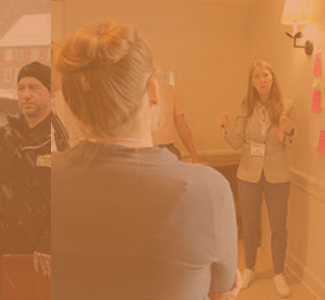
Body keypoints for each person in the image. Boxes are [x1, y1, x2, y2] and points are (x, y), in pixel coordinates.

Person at [51, 20, 241, 300]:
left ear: (73, 99)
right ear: (153, 92)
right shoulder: (209, 190)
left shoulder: (46, 177)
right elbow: (221, 293)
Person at [0, 61, 67, 287]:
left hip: (39, 255)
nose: (26, 95)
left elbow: (68, 200)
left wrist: (48, 243)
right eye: (21, 88)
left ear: (50, 94)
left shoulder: (60, 142)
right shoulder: (1, 138)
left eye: (34, 88)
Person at [216, 60, 295, 297]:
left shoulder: (287, 105)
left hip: (277, 173)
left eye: (266, 75)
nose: (262, 79)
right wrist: (225, 128)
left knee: (279, 227)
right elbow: (238, 142)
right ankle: (249, 267)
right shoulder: (246, 107)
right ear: (252, 82)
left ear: (273, 78)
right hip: (248, 173)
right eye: (257, 76)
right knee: (250, 226)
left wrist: (289, 130)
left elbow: (288, 143)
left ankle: (278, 273)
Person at [148, 72, 201, 161]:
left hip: (167, 150)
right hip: (146, 150)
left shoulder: (170, 90)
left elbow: (181, 123)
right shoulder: (132, 92)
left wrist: (194, 154)